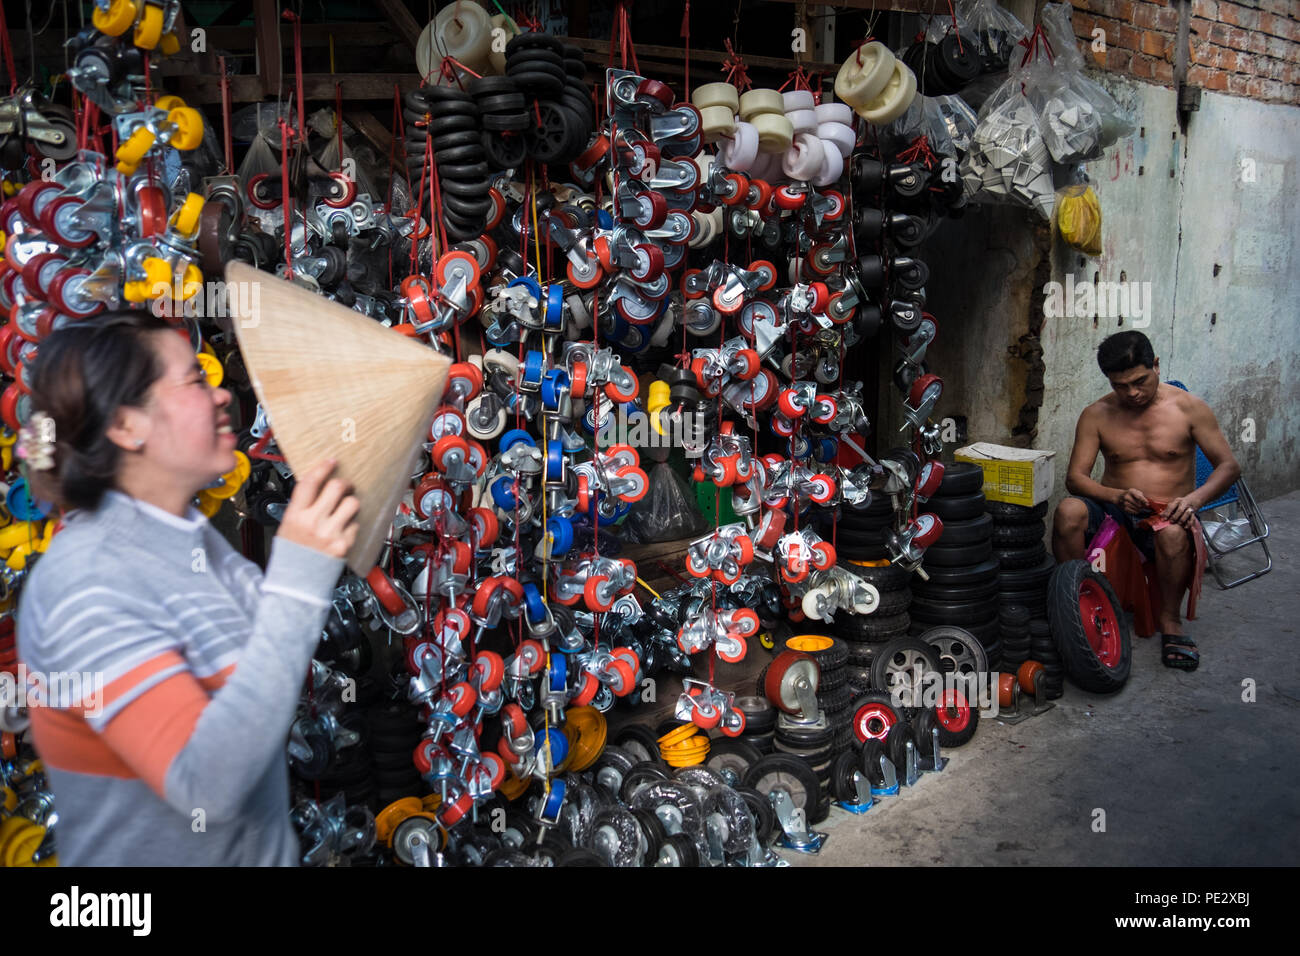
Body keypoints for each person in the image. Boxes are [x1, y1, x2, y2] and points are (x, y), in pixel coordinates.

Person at [14, 311, 360, 865]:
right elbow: (205, 786)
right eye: (195, 382)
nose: (222, 395)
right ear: (127, 426)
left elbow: (260, 684)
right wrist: (297, 581)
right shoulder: (85, 584)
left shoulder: (191, 544)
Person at [1050, 330, 1240, 671]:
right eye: (1120, 385)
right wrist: (1116, 496)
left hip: (1168, 513)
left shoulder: (1189, 409)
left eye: (1139, 381)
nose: (1132, 393)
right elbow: (1075, 479)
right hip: (1115, 511)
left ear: (1155, 364)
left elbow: (1229, 467)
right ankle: (1076, 609)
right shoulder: (1096, 414)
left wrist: (1193, 500)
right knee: (1067, 511)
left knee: (1171, 533)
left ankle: (1171, 624)